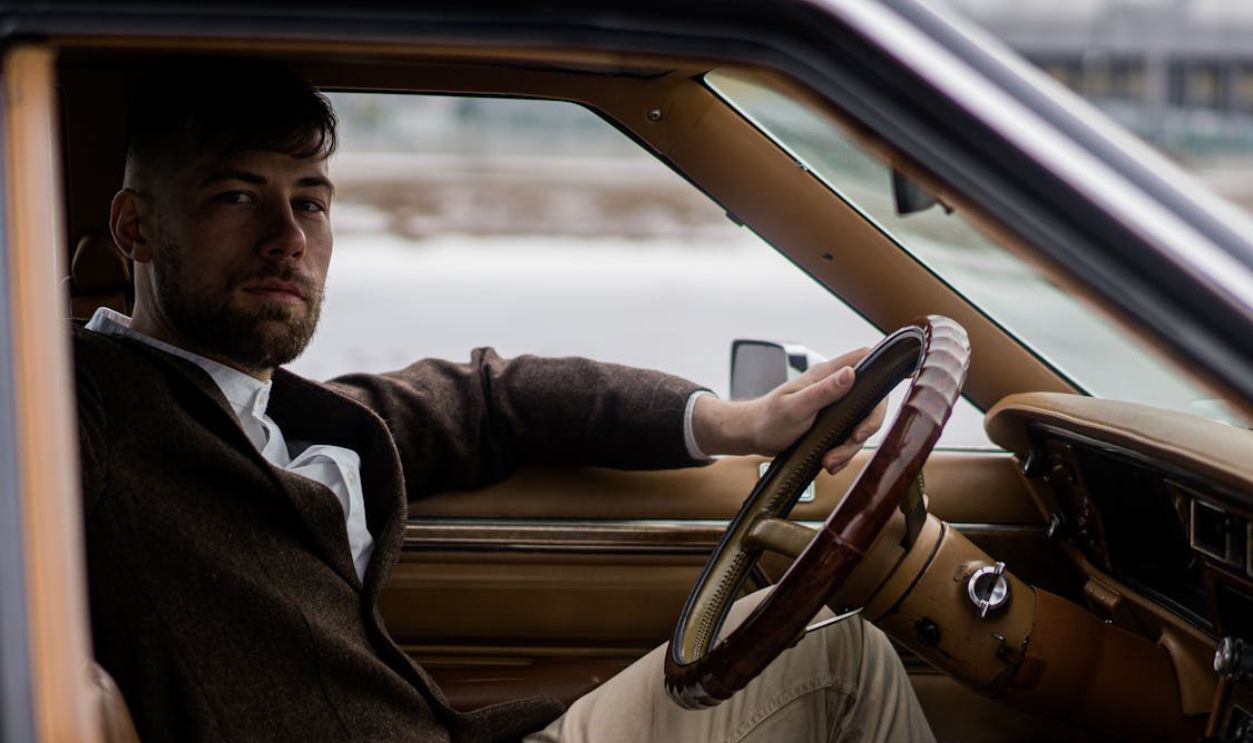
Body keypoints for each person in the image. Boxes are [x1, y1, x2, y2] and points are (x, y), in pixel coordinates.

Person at [74, 58, 934, 742]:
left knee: (814, 640)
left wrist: (736, 423)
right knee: (839, 661)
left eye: (310, 201)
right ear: (135, 229)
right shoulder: (85, 403)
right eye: (236, 197)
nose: (288, 238)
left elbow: (493, 399)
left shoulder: (276, 412)